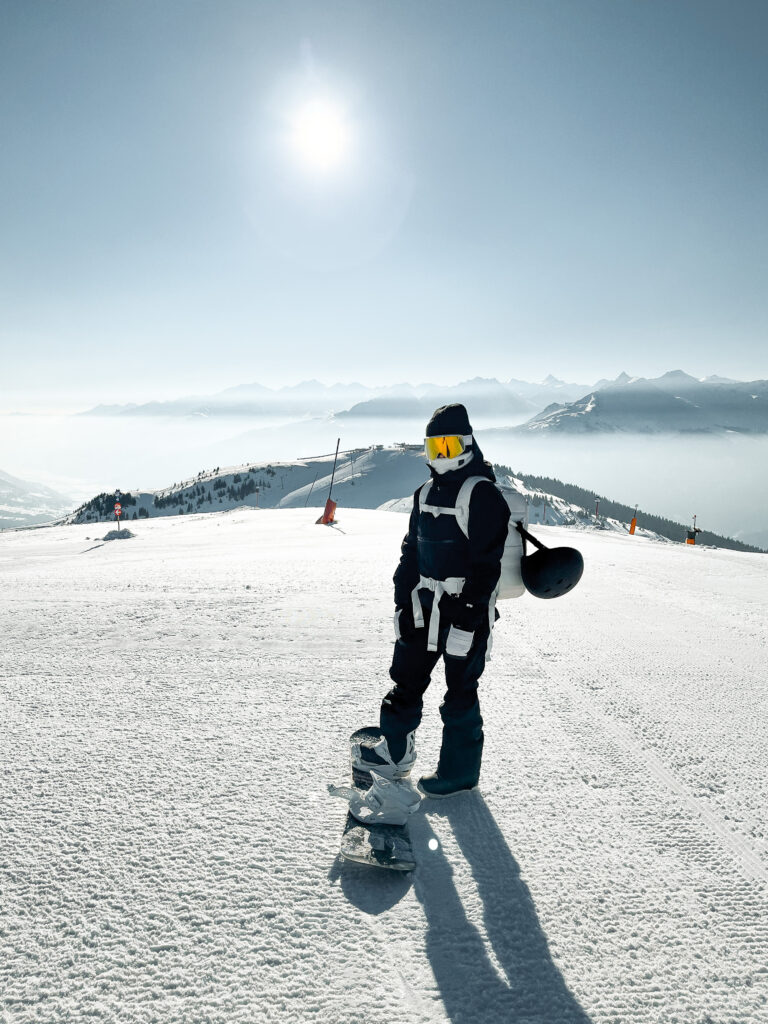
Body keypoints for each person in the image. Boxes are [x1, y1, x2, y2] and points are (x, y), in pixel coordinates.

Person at [361, 403, 511, 797]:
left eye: (448, 447)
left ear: (466, 444)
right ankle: (394, 752)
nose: (440, 457)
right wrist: (401, 600)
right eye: (433, 448)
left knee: (460, 691)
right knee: (405, 679)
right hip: (423, 605)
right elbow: (411, 551)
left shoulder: (483, 496)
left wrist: (467, 619)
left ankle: (458, 772)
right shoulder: (424, 492)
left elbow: (487, 566)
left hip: (466, 609)